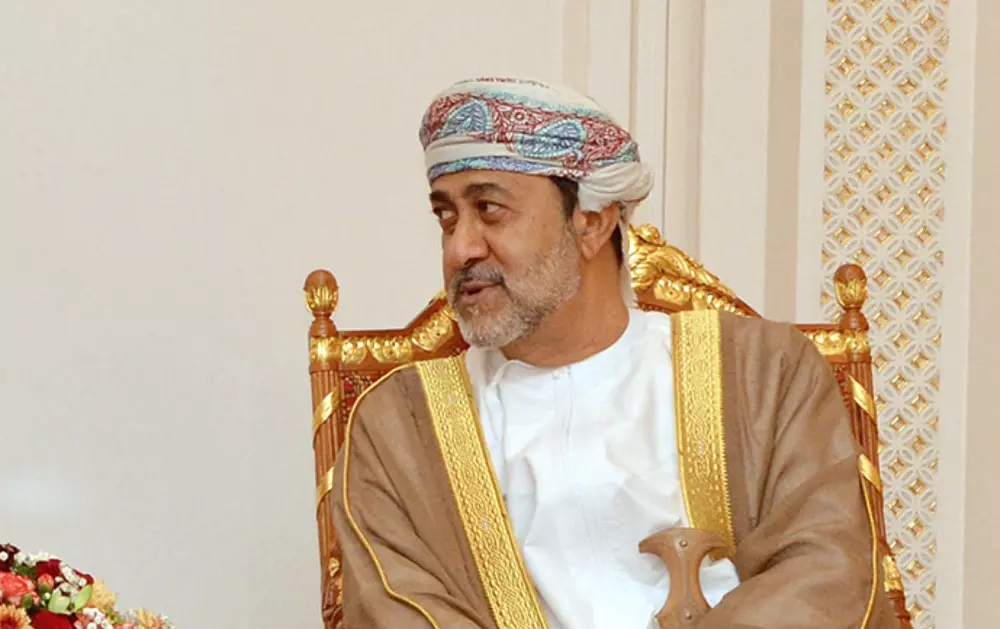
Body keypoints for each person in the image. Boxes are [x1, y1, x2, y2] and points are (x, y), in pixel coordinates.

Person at [328, 77, 899, 629]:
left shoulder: (764, 372)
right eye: (446, 216)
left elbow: (826, 572)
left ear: (592, 224)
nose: (460, 249)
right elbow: (398, 610)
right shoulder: (398, 426)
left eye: (490, 210)